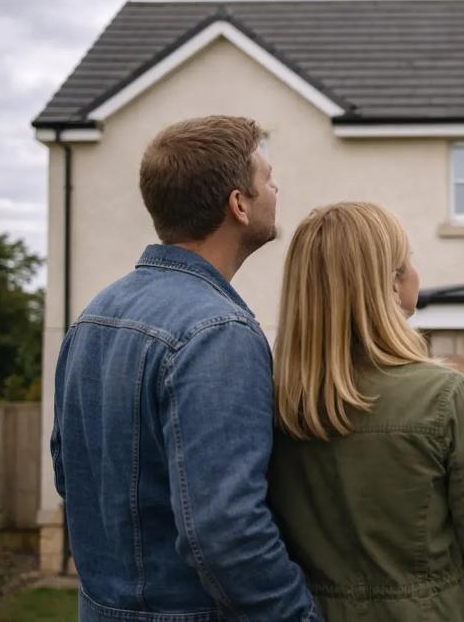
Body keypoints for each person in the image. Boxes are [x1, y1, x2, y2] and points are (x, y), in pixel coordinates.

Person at [51, 116, 321, 621]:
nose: (276, 188)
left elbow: (71, 476)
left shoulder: (93, 315)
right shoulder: (217, 331)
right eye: (267, 178)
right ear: (238, 205)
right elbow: (227, 531)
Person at [267, 202, 464, 622]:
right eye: (408, 260)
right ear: (391, 285)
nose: (415, 271)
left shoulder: (273, 400)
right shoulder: (443, 395)